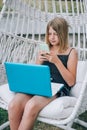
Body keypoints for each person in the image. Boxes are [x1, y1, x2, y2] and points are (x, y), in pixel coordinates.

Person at [8, 17, 78, 130]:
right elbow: (35, 73)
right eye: (49, 34)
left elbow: (71, 81)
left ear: (63, 33)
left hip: (57, 87)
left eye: (55, 34)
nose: (52, 37)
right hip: (39, 84)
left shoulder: (71, 52)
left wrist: (57, 61)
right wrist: (39, 61)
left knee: (31, 105)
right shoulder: (46, 48)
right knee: (13, 105)